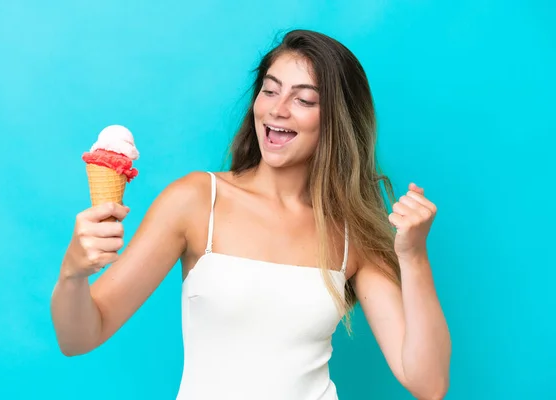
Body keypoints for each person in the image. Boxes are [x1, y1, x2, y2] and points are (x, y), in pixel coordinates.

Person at [50, 29, 451, 400]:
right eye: (270, 91)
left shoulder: (351, 231)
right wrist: (72, 274)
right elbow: (80, 338)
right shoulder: (195, 200)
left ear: (336, 120)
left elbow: (428, 383)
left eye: (304, 99)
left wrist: (413, 255)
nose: (277, 110)